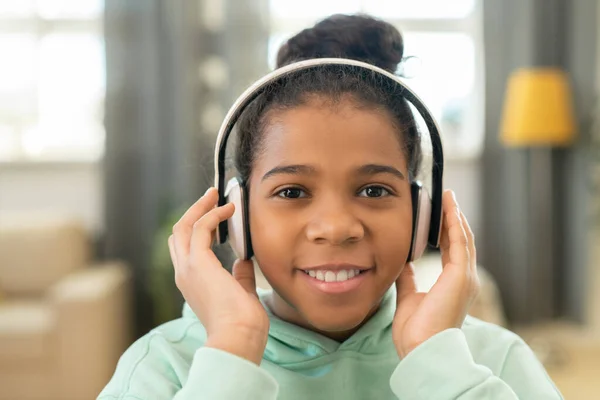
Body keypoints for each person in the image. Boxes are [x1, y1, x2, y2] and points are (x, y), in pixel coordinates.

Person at [98, 14, 562, 399]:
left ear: (424, 217)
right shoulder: (164, 367)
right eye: (293, 192)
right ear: (235, 217)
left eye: (375, 190)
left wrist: (439, 367)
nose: (337, 228)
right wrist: (232, 350)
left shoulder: (491, 362)